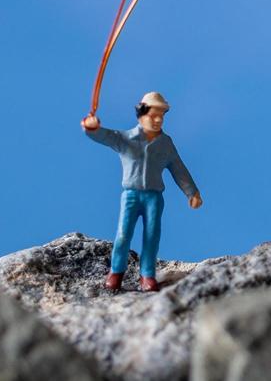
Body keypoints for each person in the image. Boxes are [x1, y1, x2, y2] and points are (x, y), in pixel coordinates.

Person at [81, 92, 202, 291]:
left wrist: (192, 193)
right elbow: (104, 135)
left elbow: (178, 168)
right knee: (123, 234)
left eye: (161, 116)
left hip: (154, 197)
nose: (157, 120)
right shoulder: (126, 139)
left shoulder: (165, 143)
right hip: (131, 195)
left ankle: (147, 276)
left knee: (152, 236)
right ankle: (116, 272)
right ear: (141, 115)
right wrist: (91, 127)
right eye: (153, 115)